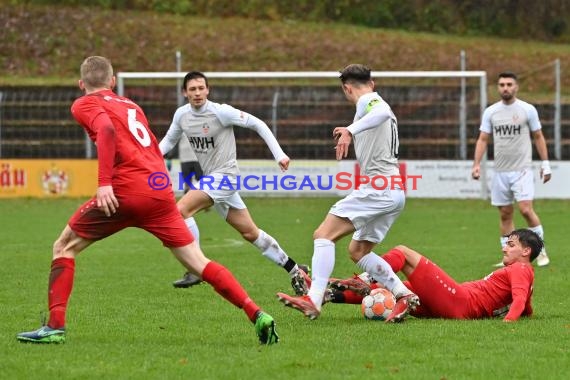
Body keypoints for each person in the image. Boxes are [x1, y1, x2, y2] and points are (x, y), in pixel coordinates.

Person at [16, 56, 278, 345]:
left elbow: (105, 130)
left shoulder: (84, 103)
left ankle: (54, 326)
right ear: (113, 82)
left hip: (124, 193)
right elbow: (153, 146)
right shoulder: (131, 105)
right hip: (159, 192)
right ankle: (257, 313)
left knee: (63, 246)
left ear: (81, 84)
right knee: (197, 262)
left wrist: (104, 184)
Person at [276, 64, 418, 323]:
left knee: (323, 235)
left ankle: (314, 299)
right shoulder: (369, 103)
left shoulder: (369, 101)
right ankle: (403, 293)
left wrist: (350, 131)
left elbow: (383, 111)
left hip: (378, 188)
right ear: (372, 82)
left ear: (346, 88)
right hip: (394, 190)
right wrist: (352, 129)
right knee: (358, 251)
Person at [159, 71, 310, 293]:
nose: (198, 93)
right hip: (213, 180)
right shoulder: (182, 115)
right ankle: (295, 269)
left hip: (225, 177)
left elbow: (258, 124)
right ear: (185, 92)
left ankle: (195, 267)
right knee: (251, 233)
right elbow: (168, 142)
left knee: (179, 210)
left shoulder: (221, 112)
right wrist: (148, 161)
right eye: (192, 89)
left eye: (201, 88)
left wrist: (279, 155)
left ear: (208, 90)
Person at [328, 229, 541, 322]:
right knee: (399, 288)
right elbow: (524, 302)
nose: (505, 249)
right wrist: (525, 314)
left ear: (526, 252)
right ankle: (329, 295)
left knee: (403, 253)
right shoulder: (525, 274)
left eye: (511, 245)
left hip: (459, 302)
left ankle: (363, 280)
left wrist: (509, 322)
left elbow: (520, 299)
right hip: (455, 304)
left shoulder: (520, 269)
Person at [472, 72, 551, 267]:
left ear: (516, 87)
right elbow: (483, 139)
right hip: (500, 171)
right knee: (505, 213)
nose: (505, 88)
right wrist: (476, 164)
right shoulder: (491, 112)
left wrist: (545, 163)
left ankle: (540, 251)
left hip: (522, 169)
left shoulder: (527, 109)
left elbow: (538, 136)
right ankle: (509, 258)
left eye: (509, 84)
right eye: (501, 84)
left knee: (525, 209)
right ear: (498, 88)